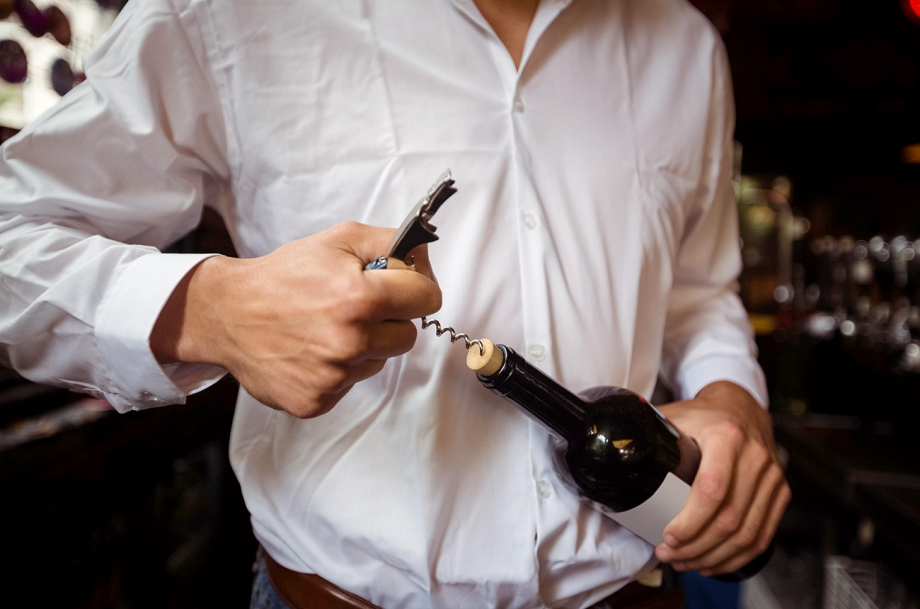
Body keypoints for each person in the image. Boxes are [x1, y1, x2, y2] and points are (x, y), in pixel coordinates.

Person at [0, 0, 791, 607]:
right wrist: (211, 309)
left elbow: (698, 292)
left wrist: (731, 396)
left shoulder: (686, 47)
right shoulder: (234, 13)